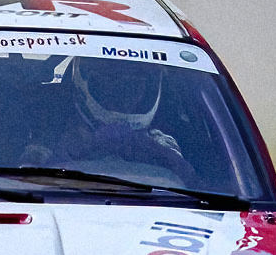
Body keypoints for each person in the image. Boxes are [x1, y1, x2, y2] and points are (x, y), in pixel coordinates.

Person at [28, 55, 199, 185]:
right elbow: (25, 179)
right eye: (113, 83)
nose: (126, 95)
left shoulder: (163, 142)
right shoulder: (53, 133)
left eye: (136, 84)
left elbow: (193, 185)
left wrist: (154, 150)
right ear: (85, 84)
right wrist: (73, 151)